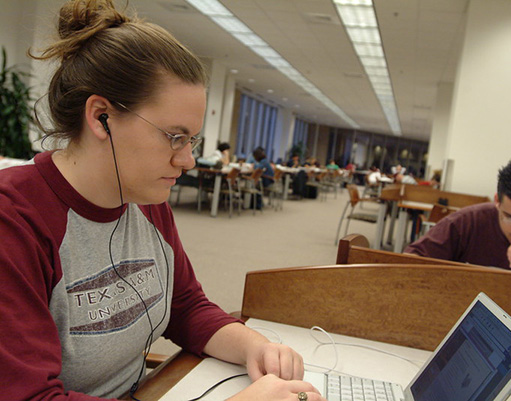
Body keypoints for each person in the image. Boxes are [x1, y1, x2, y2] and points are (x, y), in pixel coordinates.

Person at [0, 2, 324, 400]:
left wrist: (254, 346)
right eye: (174, 136)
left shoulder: (144, 197)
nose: (187, 159)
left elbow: (184, 305)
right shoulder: (14, 220)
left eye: (192, 141)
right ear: (101, 116)